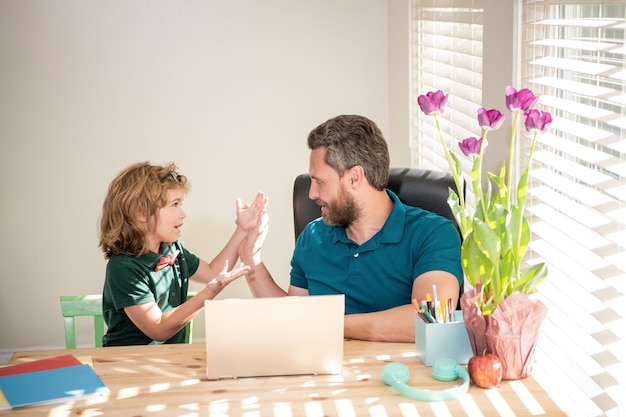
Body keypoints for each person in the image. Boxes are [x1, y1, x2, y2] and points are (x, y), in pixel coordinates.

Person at [240, 115, 462, 343]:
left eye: (320, 182)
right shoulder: (313, 236)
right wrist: (250, 258)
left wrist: (326, 323)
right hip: (323, 371)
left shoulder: (433, 234)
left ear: (355, 178)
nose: (312, 194)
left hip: (398, 375)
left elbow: (431, 321)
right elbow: (294, 314)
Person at [99, 161, 267, 346]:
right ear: (142, 213)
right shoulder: (123, 268)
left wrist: (242, 230)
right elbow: (158, 329)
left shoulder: (173, 249)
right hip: (129, 363)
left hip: (168, 360)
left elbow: (212, 272)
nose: (183, 213)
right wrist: (208, 293)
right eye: (174, 204)